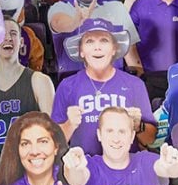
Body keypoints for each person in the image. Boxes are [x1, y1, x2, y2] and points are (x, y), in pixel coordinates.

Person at [62, 107, 178, 185]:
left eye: (122, 131)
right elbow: (76, 177)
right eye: (110, 131)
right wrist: (74, 167)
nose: (116, 139)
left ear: (132, 136)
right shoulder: (90, 166)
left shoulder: (144, 161)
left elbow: (173, 170)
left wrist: (173, 163)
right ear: (99, 135)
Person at [52, 18, 156, 155]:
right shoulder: (67, 86)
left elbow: (150, 139)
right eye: (89, 41)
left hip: (126, 168)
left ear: (114, 49)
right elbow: (54, 144)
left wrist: (138, 125)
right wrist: (69, 125)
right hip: (84, 170)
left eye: (104, 40)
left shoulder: (135, 84)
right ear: (80, 51)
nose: (97, 47)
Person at [46, 0, 140, 75]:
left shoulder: (116, 7)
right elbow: (58, 22)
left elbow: (132, 57)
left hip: (114, 88)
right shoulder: (59, 8)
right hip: (75, 88)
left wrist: (139, 83)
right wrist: (76, 21)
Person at [0, 17, 55, 164]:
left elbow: (52, 134)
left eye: (13, 33)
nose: (8, 38)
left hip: (32, 163)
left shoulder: (39, 81)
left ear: (21, 42)